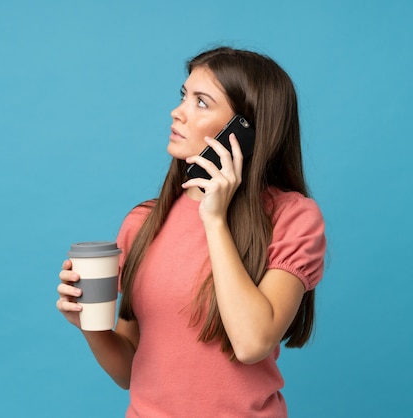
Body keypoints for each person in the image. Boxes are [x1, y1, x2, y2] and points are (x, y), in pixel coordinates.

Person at [56, 46, 326, 417]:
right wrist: (89, 324)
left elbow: (252, 343)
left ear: (244, 131)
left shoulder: (291, 218)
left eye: (201, 102)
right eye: (184, 96)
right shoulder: (143, 222)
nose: (177, 112)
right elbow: (129, 371)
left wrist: (214, 219)